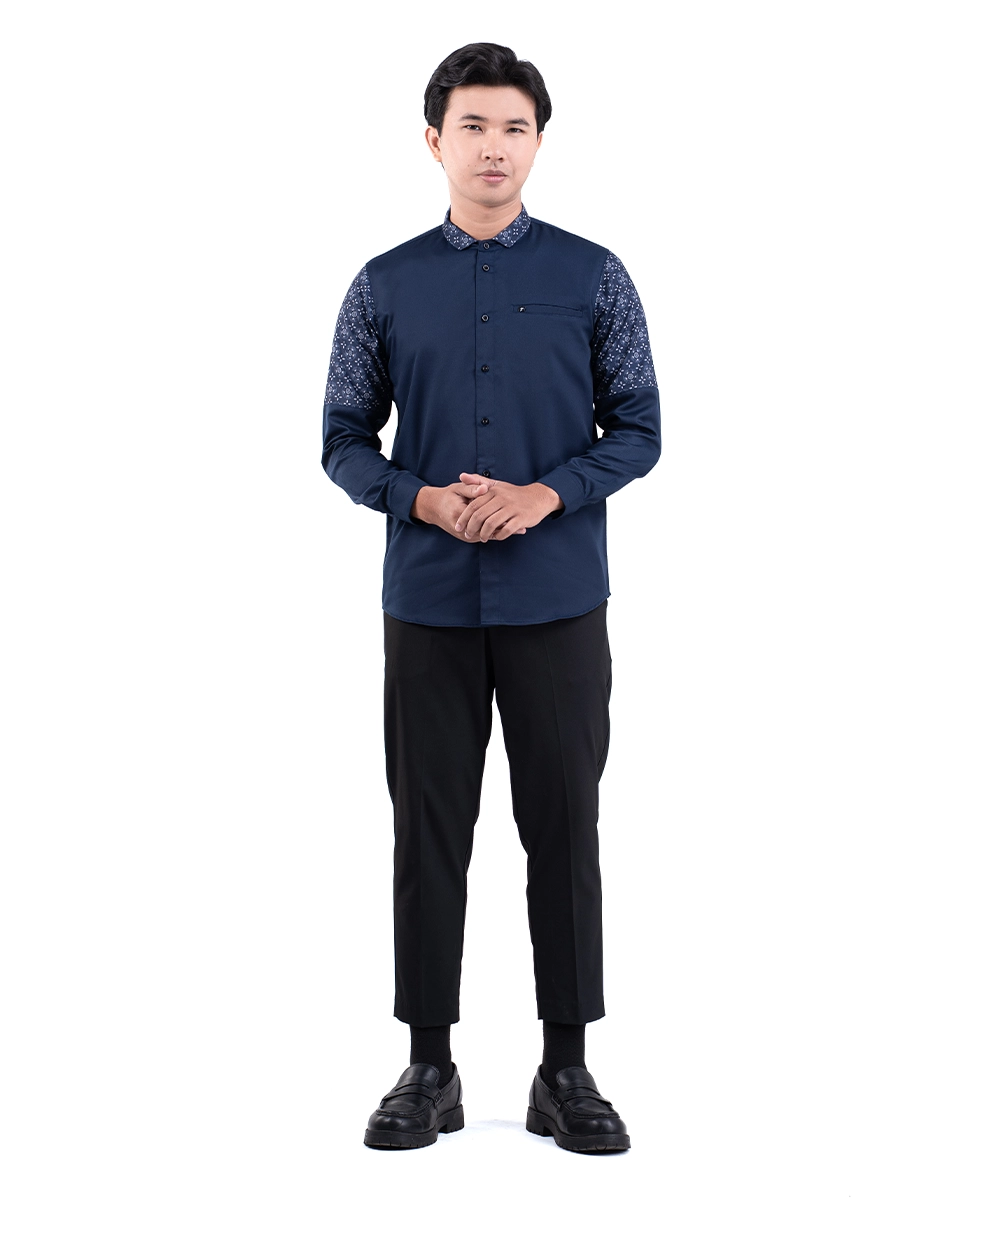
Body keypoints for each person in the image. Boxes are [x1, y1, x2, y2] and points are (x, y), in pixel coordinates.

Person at [321, 42, 660, 1153]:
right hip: (426, 601)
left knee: (563, 826)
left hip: (557, 601)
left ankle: (566, 1065)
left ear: (539, 142)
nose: (493, 147)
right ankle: (429, 1064)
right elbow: (341, 438)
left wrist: (545, 494)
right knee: (427, 829)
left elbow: (639, 430)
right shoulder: (382, 285)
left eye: (514, 127)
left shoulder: (595, 276)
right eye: (472, 126)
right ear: (434, 141)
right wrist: (419, 499)